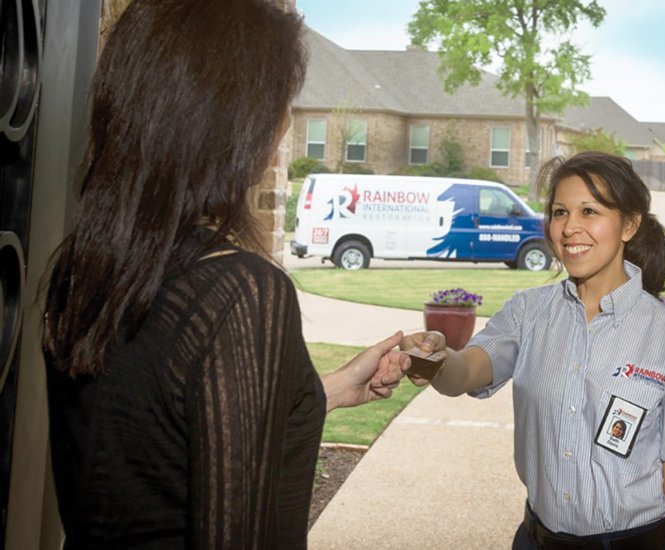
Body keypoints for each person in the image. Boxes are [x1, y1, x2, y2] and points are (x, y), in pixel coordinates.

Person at [41, 1, 409, 548]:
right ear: (231, 119)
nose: (284, 123)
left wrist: (320, 392)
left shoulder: (81, 266)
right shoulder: (240, 294)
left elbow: (156, 436)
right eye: (279, 101)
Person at [403, 151, 665, 549]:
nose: (570, 227)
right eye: (559, 212)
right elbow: (466, 370)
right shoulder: (527, 312)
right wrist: (436, 359)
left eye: (589, 211)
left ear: (629, 224)